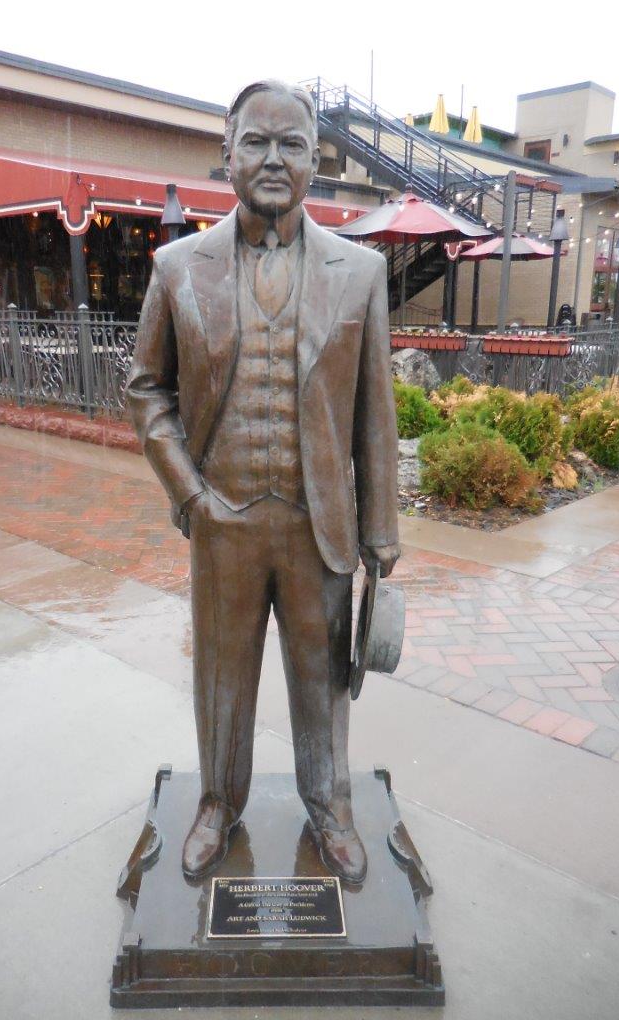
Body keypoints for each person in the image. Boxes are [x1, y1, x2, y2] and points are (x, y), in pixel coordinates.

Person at [126, 79, 399, 884]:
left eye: (293, 144)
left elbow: (374, 414)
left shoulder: (363, 272)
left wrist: (382, 535)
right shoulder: (177, 267)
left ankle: (331, 805)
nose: (274, 158)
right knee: (222, 675)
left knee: (323, 682)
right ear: (227, 153)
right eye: (257, 141)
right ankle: (217, 802)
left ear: (318, 160)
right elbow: (145, 387)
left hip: (322, 524)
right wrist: (190, 494)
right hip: (224, 519)